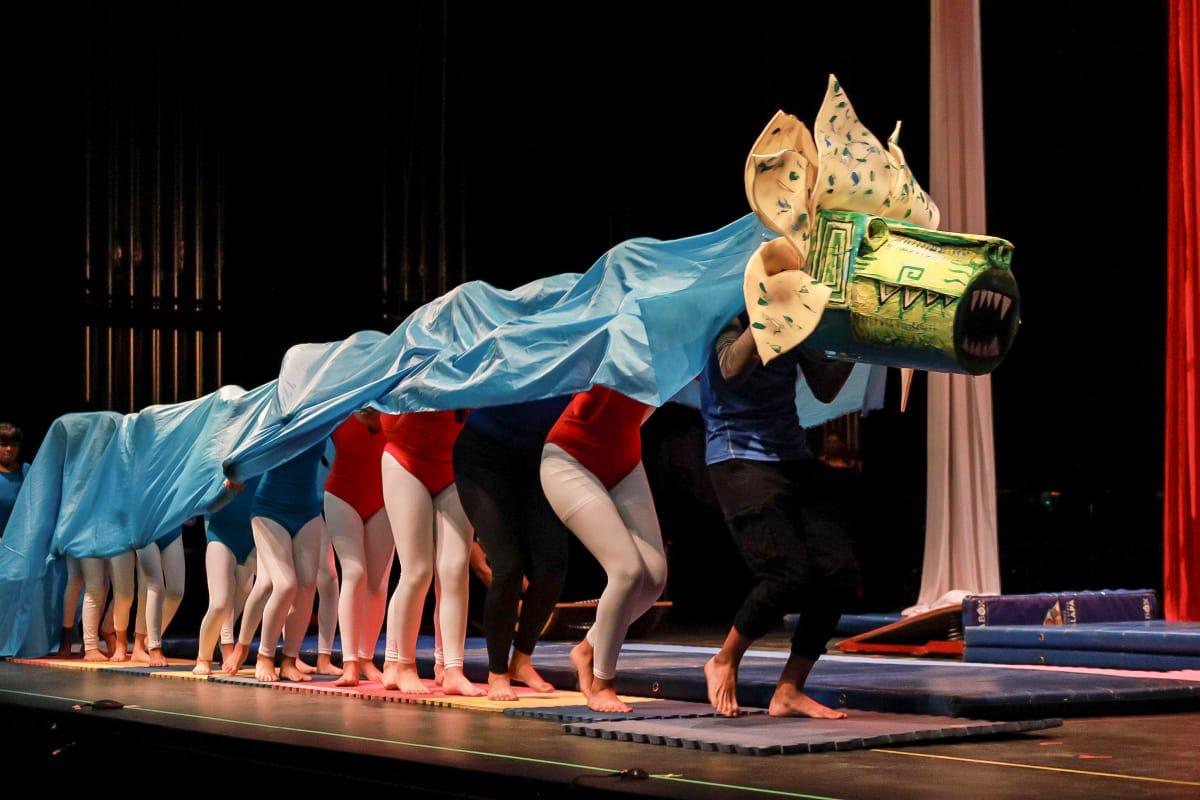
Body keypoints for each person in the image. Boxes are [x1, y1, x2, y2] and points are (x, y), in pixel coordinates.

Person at [699, 314, 859, 718]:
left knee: (838, 572)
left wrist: (854, 342)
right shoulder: (726, 313)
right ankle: (724, 659)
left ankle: (789, 689)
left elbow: (825, 388)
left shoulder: (794, 315)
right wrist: (772, 310)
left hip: (790, 453)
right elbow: (731, 369)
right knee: (786, 574)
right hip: (738, 454)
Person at [541, 386, 666, 712]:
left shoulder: (670, 363)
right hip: (569, 459)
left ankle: (587, 649)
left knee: (654, 579)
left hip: (624, 461)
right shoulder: (606, 354)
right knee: (627, 571)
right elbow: (583, 405)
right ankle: (602, 683)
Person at [453, 399, 571, 701]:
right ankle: (497, 672)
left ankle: (521, 660)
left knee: (553, 565)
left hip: (538, 458)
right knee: (508, 567)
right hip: (483, 457)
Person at [380, 411, 483, 696]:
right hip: (406, 461)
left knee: (456, 570)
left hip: (454, 466)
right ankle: (404, 665)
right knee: (417, 571)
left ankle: (453, 669)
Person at [250, 441, 328, 682]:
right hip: (270, 508)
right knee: (285, 585)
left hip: (307, 510)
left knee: (307, 585)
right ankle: (264, 657)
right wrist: (235, 472)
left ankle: (289, 661)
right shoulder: (275, 418)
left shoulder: (319, 420)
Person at [324, 410, 392, 686]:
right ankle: (349, 662)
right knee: (354, 572)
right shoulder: (342, 403)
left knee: (377, 583)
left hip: (384, 497)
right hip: (342, 494)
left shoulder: (393, 405)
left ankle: (366, 658)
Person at [195, 477, 259, 675]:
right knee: (220, 603)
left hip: (255, 531)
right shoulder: (219, 462)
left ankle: (284, 656)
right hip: (222, 532)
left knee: (272, 586)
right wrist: (226, 490)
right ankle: (204, 656)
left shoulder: (262, 459)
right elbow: (201, 498)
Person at [131, 525, 187, 666]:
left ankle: (150, 638)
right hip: (145, 527)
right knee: (155, 586)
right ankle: (154, 646)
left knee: (176, 592)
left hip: (171, 527)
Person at [0, 422, 29, 536]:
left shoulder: (27, 470)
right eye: (3, 444)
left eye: (14, 445)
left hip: (21, 538)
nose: (9, 449)